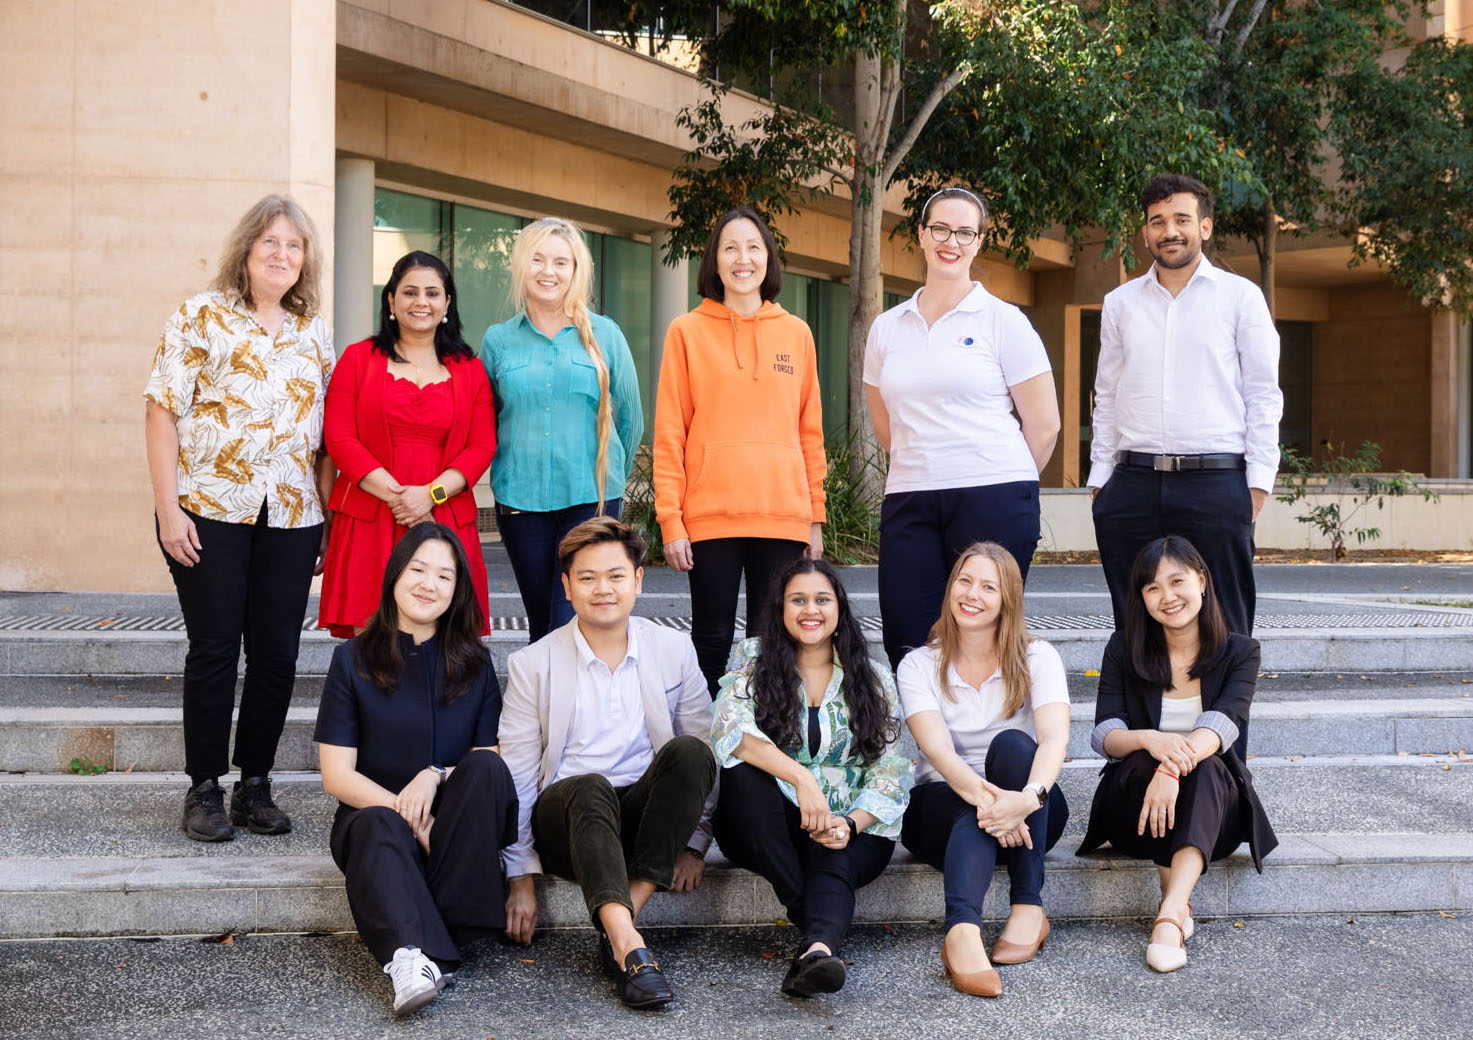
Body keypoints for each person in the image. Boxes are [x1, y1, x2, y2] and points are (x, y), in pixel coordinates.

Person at [144, 193, 335, 842]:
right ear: (247, 252)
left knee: (278, 654)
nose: (282, 255)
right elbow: (161, 411)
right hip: (208, 511)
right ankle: (203, 789)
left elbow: (325, 433)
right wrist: (168, 510)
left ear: (304, 260)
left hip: (291, 515)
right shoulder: (200, 316)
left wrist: (326, 516)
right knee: (216, 648)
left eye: (294, 245)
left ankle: (255, 785)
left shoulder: (313, 331)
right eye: (270, 243)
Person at [497, 516, 717, 1010]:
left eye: (616, 576)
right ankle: (630, 946)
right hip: (567, 819)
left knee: (691, 751)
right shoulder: (532, 664)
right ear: (567, 587)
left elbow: (704, 748)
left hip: (640, 817)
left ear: (638, 581)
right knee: (589, 785)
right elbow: (516, 776)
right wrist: (521, 877)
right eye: (588, 577)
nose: (603, 589)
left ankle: (619, 930)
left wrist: (695, 843)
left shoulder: (673, 649)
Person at [314, 522, 516, 1016]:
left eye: (444, 576)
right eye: (418, 569)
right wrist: (406, 814)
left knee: (486, 773)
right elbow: (336, 776)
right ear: (395, 575)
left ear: (457, 590)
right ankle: (410, 958)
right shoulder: (352, 660)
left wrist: (436, 774)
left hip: (453, 835)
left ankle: (429, 935)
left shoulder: (476, 664)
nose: (429, 584)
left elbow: (486, 757)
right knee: (378, 824)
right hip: (375, 825)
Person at [864, 187, 1060, 671]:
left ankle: (991, 746)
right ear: (922, 235)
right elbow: (886, 423)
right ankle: (933, 748)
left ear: (978, 241)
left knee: (984, 637)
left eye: (965, 232)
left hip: (993, 493)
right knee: (909, 641)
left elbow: (1045, 424)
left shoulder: (1004, 321)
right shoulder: (887, 327)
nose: (951, 241)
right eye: (940, 229)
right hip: (911, 495)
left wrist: (1005, 482)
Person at [1088, 173, 1283, 636]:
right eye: (1158, 221)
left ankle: (1223, 712)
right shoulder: (1120, 304)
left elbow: (1263, 393)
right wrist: (1101, 483)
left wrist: (1256, 484)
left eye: (1181, 219)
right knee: (1136, 623)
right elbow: (1107, 395)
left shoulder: (1241, 298)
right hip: (1131, 485)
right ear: (1146, 232)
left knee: (1226, 622)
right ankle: (1142, 712)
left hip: (1217, 483)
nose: (1169, 231)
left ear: (1205, 227)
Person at [710, 557, 910, 998]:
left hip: (853, 825)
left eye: (822, 599)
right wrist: (802, 780)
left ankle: (816, 951)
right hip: (769, 827)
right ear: (781, 609)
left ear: (839, 608)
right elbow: (730, 729)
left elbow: (891, 770)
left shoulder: (873, 678)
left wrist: (851, 822)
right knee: (743, 773)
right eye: (797, 600)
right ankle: (810, 911)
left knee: (834, 844)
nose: (810, 610)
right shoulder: (754, 659)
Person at [1077, 535, 1278, 973]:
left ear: (1201, 581)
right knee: (1138, 758)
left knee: (1207, 765)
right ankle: (1177, 907)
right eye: (1152, 587)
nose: (1167, 596)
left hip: (1212, 816)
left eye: (1177, 581)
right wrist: (1151, 740)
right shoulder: (1123, 647)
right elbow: (1104, 734)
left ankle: (1169, 914)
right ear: (1142, 598)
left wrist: (1172, 768)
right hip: (1136, 811)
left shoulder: (1241, 652)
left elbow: (1224, 726)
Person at [654, 206, 827, 695]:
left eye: (753, 247)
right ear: (714, 260)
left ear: (769, 259)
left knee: (771, 641)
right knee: (710, 640)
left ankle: (762, 753)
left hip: (782, 515)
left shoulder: (797, 334)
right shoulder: (685, 332)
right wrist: (672, 519)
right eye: (730, 247)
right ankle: (708, 754)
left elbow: (809, 433)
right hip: (710, 517)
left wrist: (815, 515)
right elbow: (671, 431)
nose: (742, 258)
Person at [898, 542, 1070, 998]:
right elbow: (938, 752)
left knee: (1014, 746)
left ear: (1007, 599)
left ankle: (1028, 907)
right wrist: (995, 806)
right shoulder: (918, 665)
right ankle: (962, 934)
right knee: (967, 812)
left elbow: (1054, 739)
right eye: (965, 580)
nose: (972, 594)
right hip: (937, 809)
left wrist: (1026, 800)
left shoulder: (1038, 657)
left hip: (1030, 809)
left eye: (988, 586)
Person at [481, 217, 643, 643]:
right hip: (521, 503)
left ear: (576, 271)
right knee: (541, 620)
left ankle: (573, 708)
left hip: (591, 499)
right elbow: (488, 418)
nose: (548, 271)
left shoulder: (606, 335)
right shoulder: (498, 341)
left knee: (569, 616)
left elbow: (630, 418)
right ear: (521, 266)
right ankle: (547, 707)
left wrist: (610, 484)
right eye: (537, 259)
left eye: (560, 262)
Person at [319, 251, 495, 638]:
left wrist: (428, 496)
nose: (421, 302)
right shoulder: (357, 359)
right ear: (391, 300)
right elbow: (340, 438)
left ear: (447, 303)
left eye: (433, 293)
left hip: (443, 514)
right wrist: (404, 499)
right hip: (373, 515)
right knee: (373, 644)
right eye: (410, 292)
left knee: (445, 642)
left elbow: (482, 447)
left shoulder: (470, 369)